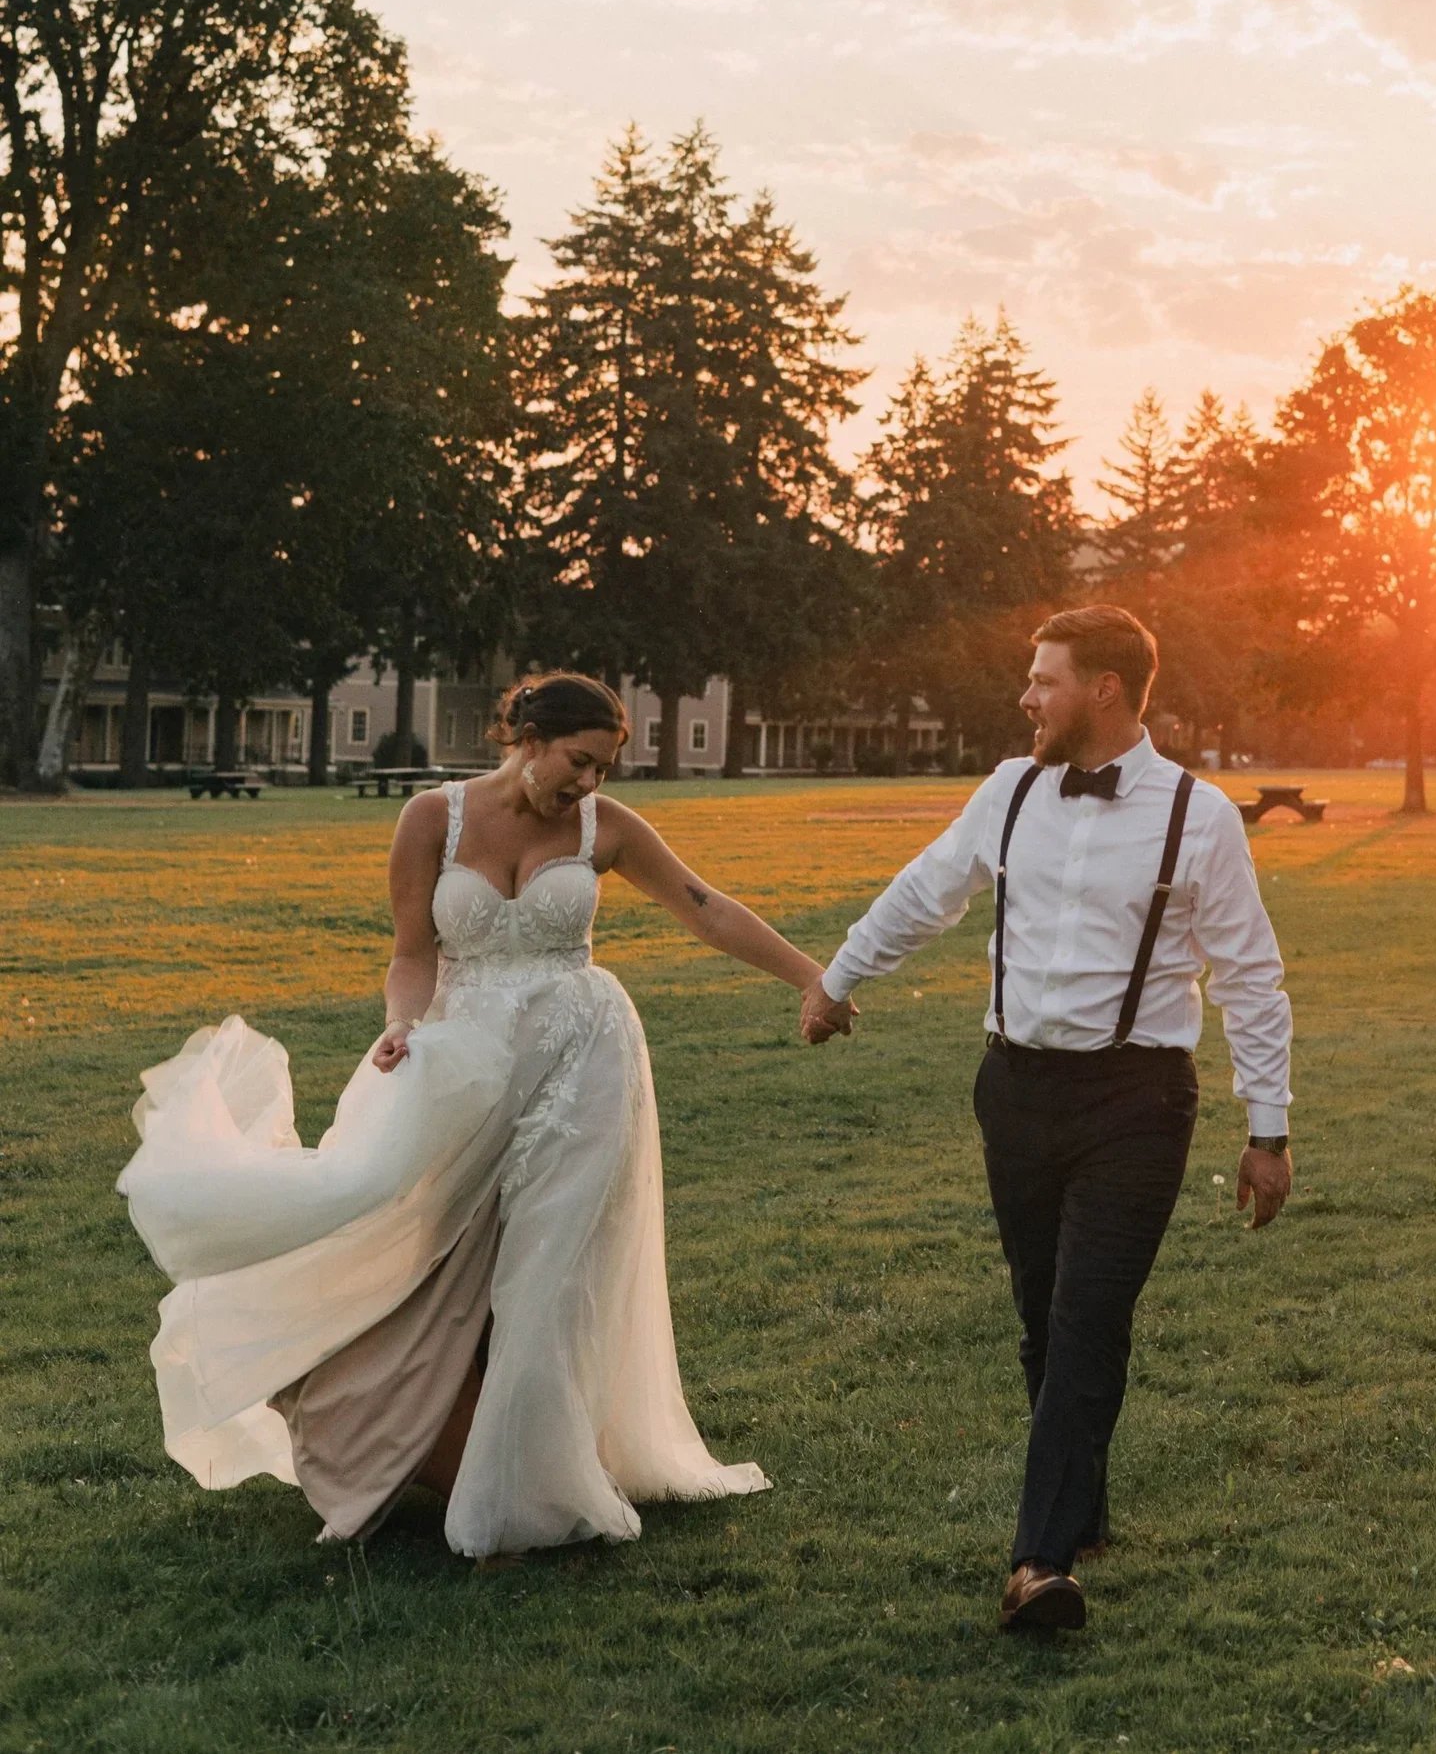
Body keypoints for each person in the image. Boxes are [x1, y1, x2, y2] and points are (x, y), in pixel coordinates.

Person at [121, 672, 832, 1559]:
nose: (589, 785)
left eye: (605, 769)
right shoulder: (432, 818)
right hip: (462, 1068)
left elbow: (705, 907)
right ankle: (427, 1438)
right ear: (528, 736)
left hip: (585, 1060)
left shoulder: (603, 828)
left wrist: (813, 976)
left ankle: (538, 1479)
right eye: (579, 761)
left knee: (547, 1273)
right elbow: (412, 956)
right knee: (417, 1251)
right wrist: (398, 1028)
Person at [801, 606, 1293, 1631]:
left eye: (1044, 680)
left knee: (1086, 1319)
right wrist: (837, 978)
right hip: (1015, 1091)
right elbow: (929, 889)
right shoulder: (1011, 788)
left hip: (1138, 1099)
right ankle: (1087, 1508)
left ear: (1104, 689)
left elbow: (1251, 976)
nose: (1027, 698)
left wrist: (1269, 1129)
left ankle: (1040, 1562)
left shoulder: (1198, 816)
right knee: (1041, 1317)